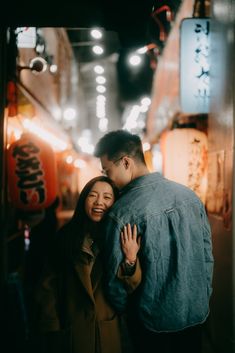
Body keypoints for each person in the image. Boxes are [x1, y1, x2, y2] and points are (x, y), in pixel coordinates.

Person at [94, 130, 214, 353]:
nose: (107, 177)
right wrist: (203, 295)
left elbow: (114, 282)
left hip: (151, 321)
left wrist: (125, 312)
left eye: (107, 170)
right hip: (196, 313)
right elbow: (207, 254)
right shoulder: (189, 197)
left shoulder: (121, 213)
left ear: (126, 162)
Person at [34, 175, 141, 353]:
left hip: (108, 332)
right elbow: (47, 285)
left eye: (107, 197)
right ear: (84, 199)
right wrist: (51, 328)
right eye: (93, 195)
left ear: (116, 203)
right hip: (71, 331)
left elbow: (132, 288)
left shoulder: (120, 238)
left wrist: (130, 259)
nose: (99, 202)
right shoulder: (65, 236)